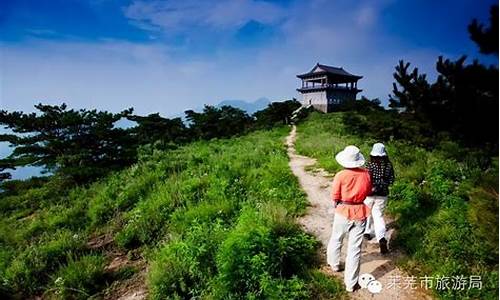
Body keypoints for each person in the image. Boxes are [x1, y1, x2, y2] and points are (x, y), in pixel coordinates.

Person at [327, 145, 372, 292]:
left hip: (343, 211)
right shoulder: (366, 174)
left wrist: (338, 204)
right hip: (360, 211)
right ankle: (351, 284)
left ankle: (334, 265)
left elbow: (335, 197)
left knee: (336, 238)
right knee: (355, 249)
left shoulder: (340, 175)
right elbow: (368, 192)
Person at [363, 143, 395, 255]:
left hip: (369, 193)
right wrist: (383, 184)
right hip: (382, 194)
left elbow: (365, 179)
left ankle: (367, 232)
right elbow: (391, 180)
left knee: (367, 213)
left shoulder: (369, 164)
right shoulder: (388, 165)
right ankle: (381, 238)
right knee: (378, 216)